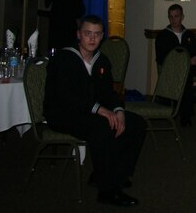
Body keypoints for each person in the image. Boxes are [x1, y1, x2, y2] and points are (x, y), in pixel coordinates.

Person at [44, 15, 146, 207]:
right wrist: (102, 111)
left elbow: (108, 92)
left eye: (97, 34)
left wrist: (118, 111)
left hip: (90, 112)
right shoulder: (64, 58)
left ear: (102, 36)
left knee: (137, 124)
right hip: (63, 113)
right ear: (78, 35)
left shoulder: (102, 61)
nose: (92, 39)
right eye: (87, 34)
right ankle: (107, 191)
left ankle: (113, 174)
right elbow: (67, 96)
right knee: (101, 127)